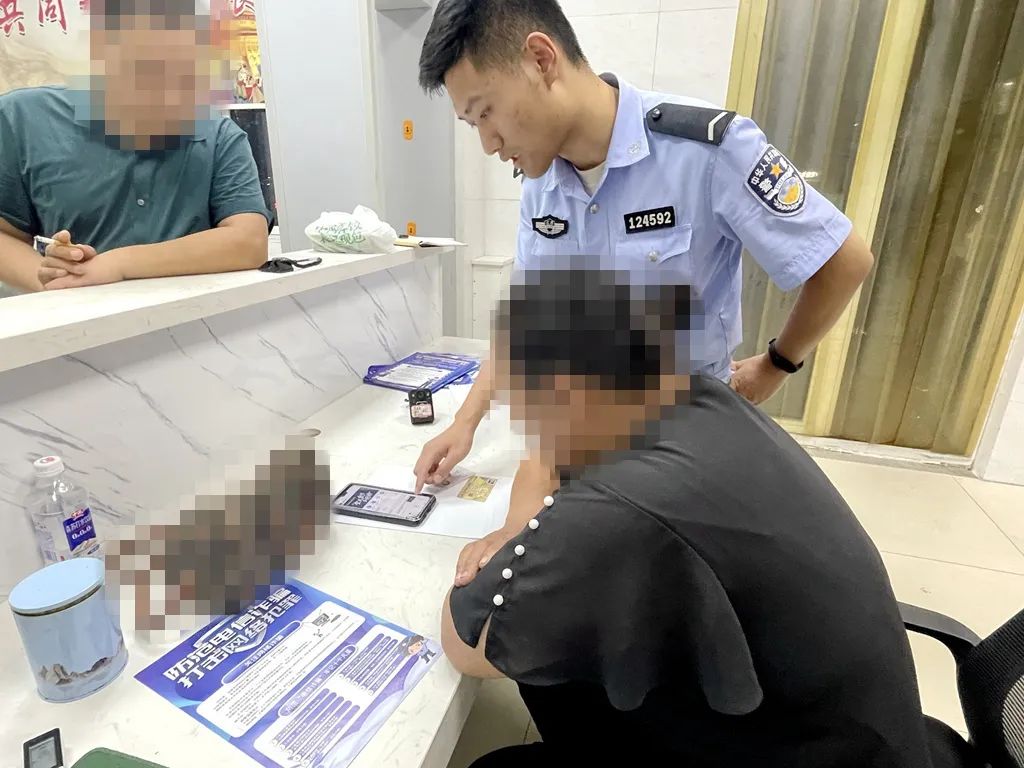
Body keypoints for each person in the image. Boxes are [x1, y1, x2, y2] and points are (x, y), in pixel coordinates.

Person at [414, 0, 876, 583]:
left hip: (689, 444)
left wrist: (777, 364)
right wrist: (466, 421)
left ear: (540, 59)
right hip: (579, 440)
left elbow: (843, 260)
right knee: (503, 590)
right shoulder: (542, 184)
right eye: (472, 125)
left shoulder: (706, 149)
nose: (488, 143)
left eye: (486, 113)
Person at [439, 268, 976, 768]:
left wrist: (511, 550)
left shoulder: (619, 509)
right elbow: (551, 462)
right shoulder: (699, 398)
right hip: (852, 733)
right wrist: (527, 520)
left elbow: (468, 644)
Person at [0, 0, 271, 295]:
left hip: (193, 317)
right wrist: (57, 280)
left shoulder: (218, 136)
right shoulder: (25, 119)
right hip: (73, 318)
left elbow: (249, 241)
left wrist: (117, 265)